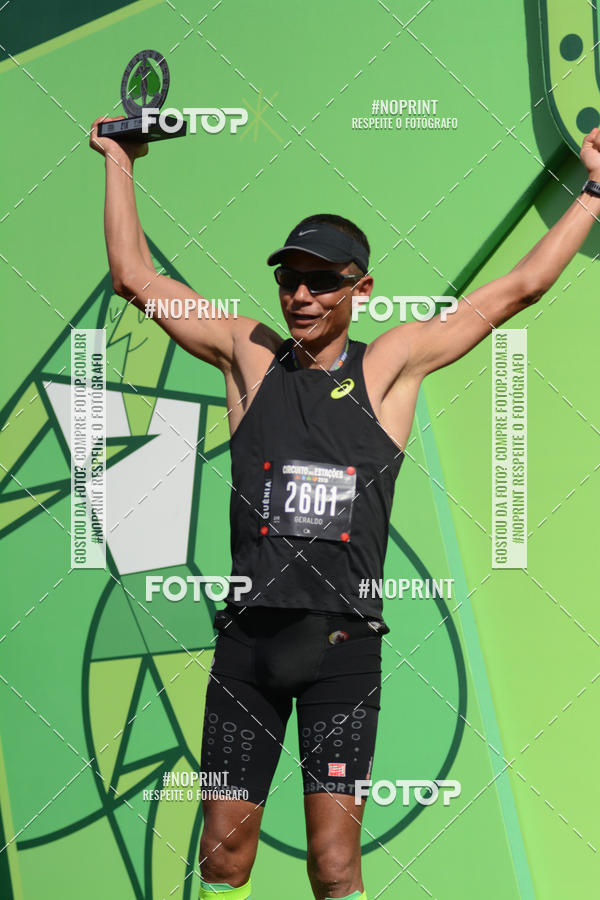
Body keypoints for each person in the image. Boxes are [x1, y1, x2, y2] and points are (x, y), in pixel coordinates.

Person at [91, 116, 600, 900]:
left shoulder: (390, 366)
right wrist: (119, 158)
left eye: (321, 280)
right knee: (223, 861)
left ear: (360, 289)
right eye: (290, 278)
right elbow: (134, 277)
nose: (301, 295)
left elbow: (517, 289)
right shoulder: (249, 354)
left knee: (334, 866)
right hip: (248, 649)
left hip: (342, 651)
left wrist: (593, 192)